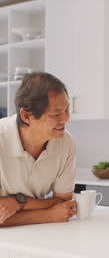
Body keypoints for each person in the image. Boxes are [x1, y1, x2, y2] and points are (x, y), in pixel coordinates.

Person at [0, 72, 77, 227]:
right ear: (26, 116)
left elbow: (63, 202)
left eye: (67, 110)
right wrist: (48, 215)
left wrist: (18, 203)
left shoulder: (65, 143)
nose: (65, 119)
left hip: (39, 236)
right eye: (56, 114)